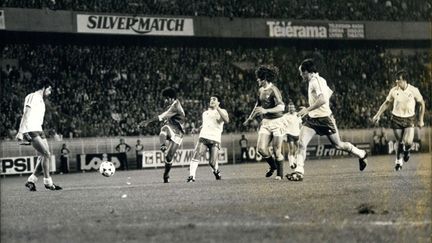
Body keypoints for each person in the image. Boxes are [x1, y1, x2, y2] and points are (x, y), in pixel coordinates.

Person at [289, 59, 368, 181]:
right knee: (301, 143)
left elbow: (322, 100)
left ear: (307, 72)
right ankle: (299, 172)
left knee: (338, 145)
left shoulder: (317, 81)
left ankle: (361, 154)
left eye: (301, 72)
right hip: (312, 120)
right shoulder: (315, 81)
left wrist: (307, 110)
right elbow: (329, 92)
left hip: (325, 119)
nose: (300, 75)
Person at [372, 70, 425, 171]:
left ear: (405, 80)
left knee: (408, 142)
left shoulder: (413, 90)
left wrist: (421, 119)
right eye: (396, 80)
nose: (397, 82)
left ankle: (407, 150)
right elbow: (387, 103)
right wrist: (378, 114)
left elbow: (422, 103)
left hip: (409, 118)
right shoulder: (394, 90)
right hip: (396, 118)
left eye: (399, 80)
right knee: (400, 141)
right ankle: (398, 161)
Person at [16, 79, 62, 191]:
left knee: (43, 156)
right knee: (46, 154)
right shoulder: (32, 96)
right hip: (31, 130)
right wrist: (21, 132)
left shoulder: (41, 100)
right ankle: (48, 182)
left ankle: (31, 181)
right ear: (44, 87)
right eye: (49, 89)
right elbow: (26, 114)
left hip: (39, 130)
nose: (50, 92)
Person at [243, 65, 286, 180]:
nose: (257, 80)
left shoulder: (274, 90)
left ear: (264, 79)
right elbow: (258, 105)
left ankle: (279, 175)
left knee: (277, 151)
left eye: (258, 78)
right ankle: (273, 166)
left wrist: (266, 110)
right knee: (261, 149)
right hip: (266, 122)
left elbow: (282, 107)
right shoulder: (260, 90)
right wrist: (250, 118)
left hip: (277, 122)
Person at [140, 87, 185, 183]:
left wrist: (148, 121)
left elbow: (162, 116)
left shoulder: (175, 106)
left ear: (172, 98)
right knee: (164, 129)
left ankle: (166, 175)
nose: (165, 100)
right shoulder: (171, 105)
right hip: (171, 129)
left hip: (178, 132)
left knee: (169, 157)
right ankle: (163, 146)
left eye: (166, 98)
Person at [187, 95, 229, 182]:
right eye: (210, 99)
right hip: (204, 137)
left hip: (215, 139)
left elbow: (226, 120)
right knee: (197, 154)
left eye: (214, 99)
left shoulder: (222, 111)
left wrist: (218, 109)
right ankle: (192, 177)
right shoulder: (205, 113)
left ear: (218, 102)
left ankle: (216, 171)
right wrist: (197, 129)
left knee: (212, 163)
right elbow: (205, 124)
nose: (212, 101)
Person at [281, 101, 302, 170]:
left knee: (300, 148)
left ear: (294, 108)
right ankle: (291, 164)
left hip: (297, 134)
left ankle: (295, 161)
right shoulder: (285, 116)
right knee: (291, 149)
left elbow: (300, 125)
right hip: (290, 134)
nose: (291, 109)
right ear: (288, 108)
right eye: (289, 108)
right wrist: (284, 135)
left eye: (292, 107)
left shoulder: (298, 115)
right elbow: (283, 126)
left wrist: (301, 133)